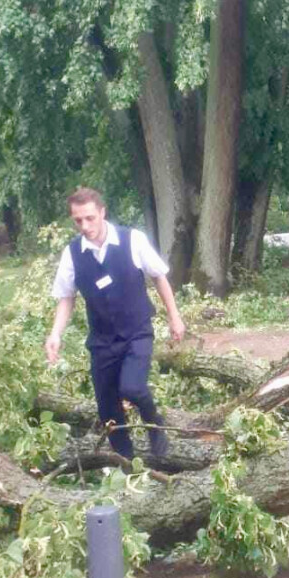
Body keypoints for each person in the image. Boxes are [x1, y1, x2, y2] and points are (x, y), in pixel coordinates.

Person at [45, 187, 186, 459]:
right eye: (78, 220)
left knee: (132, 388)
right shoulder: (72, 254)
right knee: (108, 411)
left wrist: (174, 316)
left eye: (90, 218)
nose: (85, 226)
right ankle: (128, 465)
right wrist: (55, 334)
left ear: (102, 212)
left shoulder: (132, 240)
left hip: (137, 333)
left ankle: (154, 424)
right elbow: (66, 297)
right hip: (102, 342)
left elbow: (158, 276)